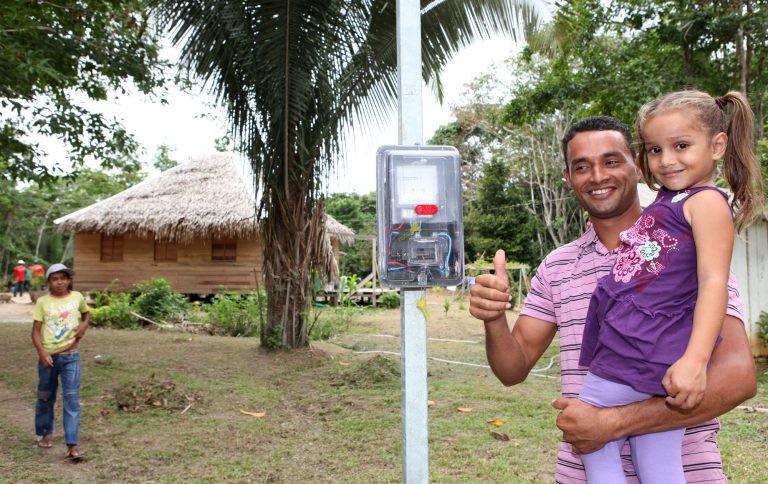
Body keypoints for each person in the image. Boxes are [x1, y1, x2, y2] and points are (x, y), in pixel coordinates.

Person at [469, 115, 757, 482]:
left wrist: (609, 422)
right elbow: (513, 369)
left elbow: (738, 377)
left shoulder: (685, 248)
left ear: (637, 167)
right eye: (582, 167)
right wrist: (494, 318)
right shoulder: (558, 267)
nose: (598, 176)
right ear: (568, 178)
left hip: (689, 471)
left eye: (611, 161)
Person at [577, 91, 764, 482]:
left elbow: (713, 281)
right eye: (655, 149)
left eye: (681, 146)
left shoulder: (707, 202)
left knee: (590, 433)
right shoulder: (672, 199)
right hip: (647, 349)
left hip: (642, 349)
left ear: (717, 145)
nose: (667, 160)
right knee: (658, 459)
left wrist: (695, 362)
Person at [31, 263, 90, 460]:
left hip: (70, 357)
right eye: (55, 279)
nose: (60, 282)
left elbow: (86, 313)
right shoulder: (43, 302)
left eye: (63, 278)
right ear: (49, 282)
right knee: (45, 396)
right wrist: (41, 353)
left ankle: (72, 445)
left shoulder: (77, 297)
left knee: (72, 400)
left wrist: (83, 326)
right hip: (48, 357)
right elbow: (36, 332)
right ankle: (46, 432)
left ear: (69, 279)